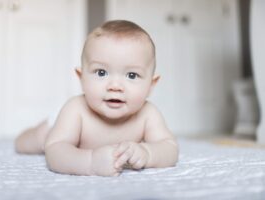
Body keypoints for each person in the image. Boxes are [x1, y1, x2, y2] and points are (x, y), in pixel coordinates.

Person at [15, 20, 179, 177]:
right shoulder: (76, 109)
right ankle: (27, 135)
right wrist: (90, 162)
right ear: (82, 77)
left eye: (132, 75)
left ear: (151, 85)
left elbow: (169, 148)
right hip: (56, 126)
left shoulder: (148, 113)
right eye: (101, 72)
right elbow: (55, 151)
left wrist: (148, 153)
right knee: (31, 142)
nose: (115, 86)